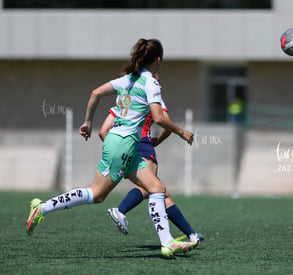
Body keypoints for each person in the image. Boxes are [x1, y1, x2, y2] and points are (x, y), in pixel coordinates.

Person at [26, 38, 198, 258]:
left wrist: (88, 121)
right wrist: (182, 132)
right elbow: (159, 118)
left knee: (156, 189)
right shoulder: (150, 83)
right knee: (96, 194)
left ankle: (167, 243)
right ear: (158, 60)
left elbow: (96, 93)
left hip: (121, 143)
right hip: (124, 144)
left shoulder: (126, 80)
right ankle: (41, 208)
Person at [100, 78, 203, 244]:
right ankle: (120, 211)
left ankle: (192, 234)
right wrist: (160, 139)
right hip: (144, 145)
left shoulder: (124, 100)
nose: (159, 85)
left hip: (125, 145)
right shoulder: (154, 96)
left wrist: (115, 150)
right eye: (157, 81)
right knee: (150, 188)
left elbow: (103, 131)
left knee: (162, 192)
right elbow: (165, 123)